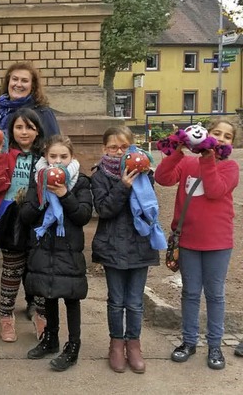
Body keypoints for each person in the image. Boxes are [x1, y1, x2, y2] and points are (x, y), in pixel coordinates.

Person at [0, 61, 60, 320]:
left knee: (28, 246)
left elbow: (54, 146)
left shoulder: (42, 112)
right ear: (7, 82)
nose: (18, 84)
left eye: (24, 80)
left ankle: (32, 299)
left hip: (28, 190)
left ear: (33, 85)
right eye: (14, 80)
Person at [154, 119, 239, 370]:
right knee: (190, 293)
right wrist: (177, 150)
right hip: (189, 240)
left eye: (227, 136)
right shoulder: (188, 162)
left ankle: (214, 346)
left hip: (218, 242)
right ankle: (188, 342)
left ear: (232, 142)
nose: (221, 138)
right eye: (217, 133)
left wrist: (208, 158)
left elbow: (214, 190)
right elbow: (163, 178)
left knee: (215, 295)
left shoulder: (231, 167)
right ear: (207, 133)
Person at [91, 126, 161, 373]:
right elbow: (104, 210)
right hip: (112, 246)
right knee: (116, 301)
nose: (119, 152)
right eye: (113, 147)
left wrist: (145, 176)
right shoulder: (99, 176)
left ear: (132, 148)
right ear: (104, 149)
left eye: (124, 147)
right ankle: (116, 345)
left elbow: (150, 208)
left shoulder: (143, 173)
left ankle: (134, 345)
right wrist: (123, 185)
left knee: (135, 303)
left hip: (140, 246)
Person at [21, 135, 92, 372]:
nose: (58, 162)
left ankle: (73, 345)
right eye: (53, 157)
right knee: (48, 295)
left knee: (71, 298)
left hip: (69, 250)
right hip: (45, 247)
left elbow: (82, 215)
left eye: (64, 157)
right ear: (45, 157)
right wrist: (42, 193)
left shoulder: (80, 182)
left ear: (71, 158)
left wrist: (63, 194)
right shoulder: (37, 179)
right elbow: (26, 215)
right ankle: (51, 339)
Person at [0, 108, 45, 343]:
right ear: (12, 131)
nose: (24, 132)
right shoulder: (6, 155)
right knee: (11, 270)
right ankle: (6, 316)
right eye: (19, 127)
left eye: (29, 127)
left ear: (38, 131)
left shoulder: (45, 158)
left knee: (38, 270)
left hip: (38, 218)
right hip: (10, 217)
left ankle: (41, 315)